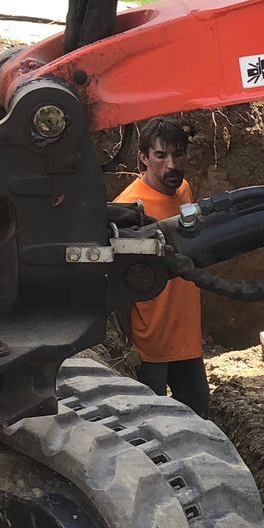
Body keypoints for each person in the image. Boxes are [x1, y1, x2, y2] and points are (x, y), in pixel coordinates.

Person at [114, 118, 209, 416]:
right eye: (160, 155)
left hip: (186, 341)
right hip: (149, 348)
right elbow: (119, 286)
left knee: (199, 418)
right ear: (143, 157)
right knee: (151, 423)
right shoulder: (129, 208)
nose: (172, 165)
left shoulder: (184, 191)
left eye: (178, 154)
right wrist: (128, 345)